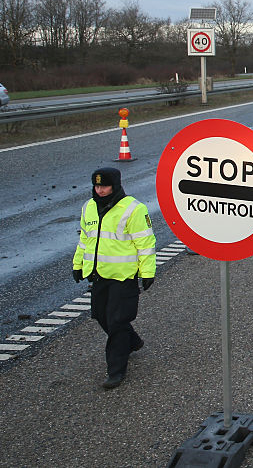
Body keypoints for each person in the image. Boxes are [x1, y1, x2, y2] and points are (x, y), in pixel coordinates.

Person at [72, 167, 156, 389]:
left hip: (123, 276)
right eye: (97, 186)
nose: (100, 190)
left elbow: (145, 243)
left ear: (116, 186)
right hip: (99, 274)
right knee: (101, 316)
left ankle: (116, 371)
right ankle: (132, 341)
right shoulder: (89, 207)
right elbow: (85, 239)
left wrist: (148, 272)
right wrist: (78, 264)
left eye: (105, 186)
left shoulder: (133, 209)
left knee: (117, 322)